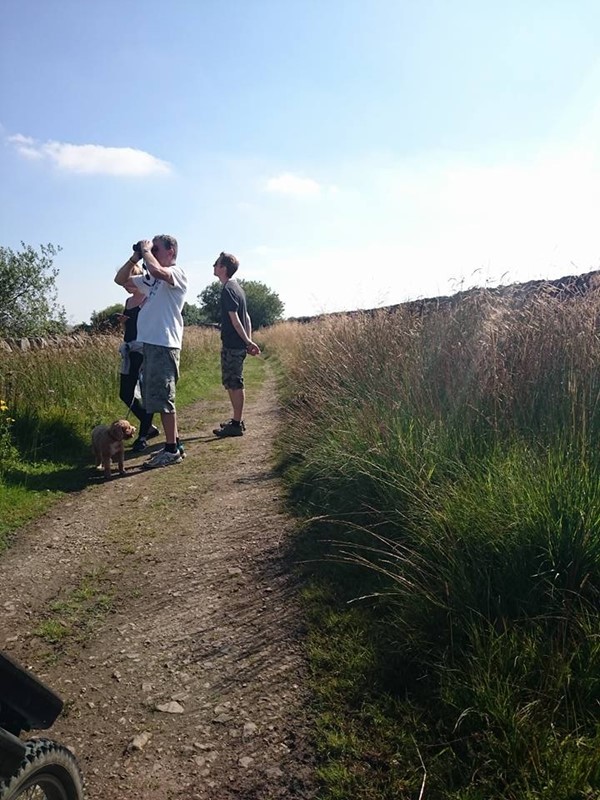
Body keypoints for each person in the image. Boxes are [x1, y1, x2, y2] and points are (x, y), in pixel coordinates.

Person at [114, 234, 187, 467]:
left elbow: (157, 271)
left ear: (171, 252)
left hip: (165, 343)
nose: (152, 252)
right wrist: (135, 255)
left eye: (157, 249)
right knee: (157, 397)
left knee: (164, 398)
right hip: (151, 345)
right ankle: (175, 445)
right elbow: (120, 280)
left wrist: (146, 252)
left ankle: (171, 450)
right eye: (151, 249)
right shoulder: (152, 280)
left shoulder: (177, 273)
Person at [211, 252, 260, 438]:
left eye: (216, 264)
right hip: (237, 344)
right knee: (232, 382)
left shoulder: (228, 290)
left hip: (233, 345)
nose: (214, 266)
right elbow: (246, 317)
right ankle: (236, 420)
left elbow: (236, 319)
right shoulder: (237, 288)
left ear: (223, 268)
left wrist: (247, 341)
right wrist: (248, 340)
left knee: (235, 383)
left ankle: (237, 423)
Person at [117, 291, 160, 453]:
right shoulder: (128, 301)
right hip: (128, 349)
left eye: (130, 280)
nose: (127, 285)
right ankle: (148, 426)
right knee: (125, 393)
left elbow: (152, 326)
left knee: (146, 393)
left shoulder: (149, 299)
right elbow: (129, 328)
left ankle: (142, 437)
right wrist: (123, 323)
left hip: (143, 350)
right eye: (125, 283)